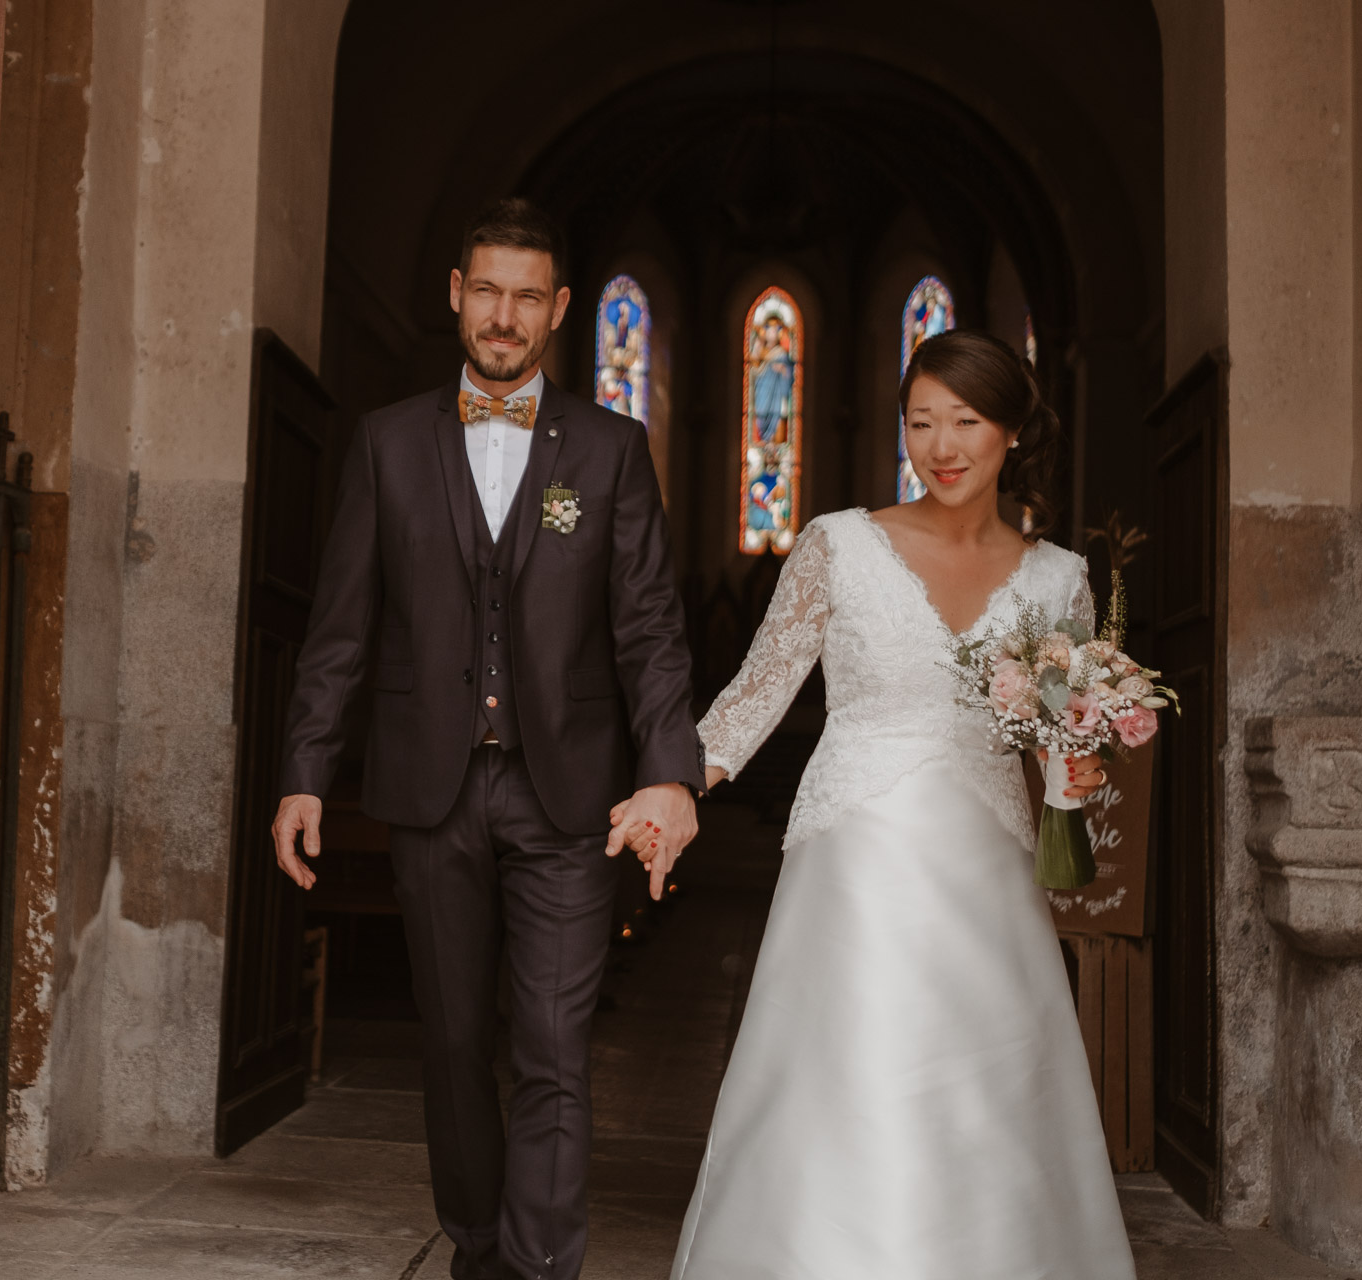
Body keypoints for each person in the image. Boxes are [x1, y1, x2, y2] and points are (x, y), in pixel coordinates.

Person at [271, 197, 705, 1280]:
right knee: (455, 1041)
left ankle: (538, 1263)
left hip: (568, 796)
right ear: (454, 295)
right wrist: (305, 773)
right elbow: (339, 627)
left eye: (526, 296)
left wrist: (668, 774)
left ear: (558, 309)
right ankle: (474, 1242)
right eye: (485, 291)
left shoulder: (611, 450)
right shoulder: (384, 441)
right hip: (427, 789)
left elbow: (649, 627)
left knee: (553, 1047)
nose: (502, 316)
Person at [651, 329, 1137, 1277]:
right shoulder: (839, 545)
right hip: (856, 867)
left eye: (967, 421)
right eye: (921, 422)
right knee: (849, 1083)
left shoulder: (1060, 578)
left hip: (991, 874)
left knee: (992, 1098)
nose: (942, 445)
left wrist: (1079, 773)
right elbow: (754, 696)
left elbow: (1061, 737)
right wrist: (673, 786)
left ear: (1011, 433)